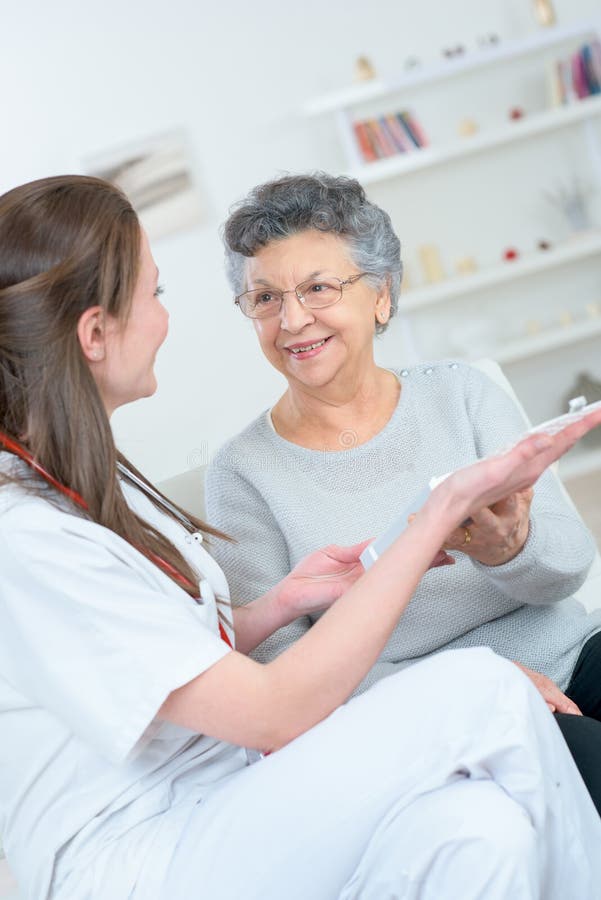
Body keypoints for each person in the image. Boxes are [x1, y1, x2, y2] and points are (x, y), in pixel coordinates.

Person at [2, 176, 601, 900]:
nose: (165, 320)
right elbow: (274, 709)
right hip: (152, 839)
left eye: (318, 288)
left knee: (480, 830)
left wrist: (279, 603)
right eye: (156, 296)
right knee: (480, 688)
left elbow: (163, 651)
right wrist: (435, 519)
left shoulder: (91, 479)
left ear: (379, 294)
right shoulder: (29, 534)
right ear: (95, 334)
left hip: (224, 789)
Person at [208, 171, 601, 811]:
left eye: (318, 288)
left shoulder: (462, 392)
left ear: (381, 294)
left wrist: (509, 551)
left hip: (572, 652)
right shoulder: (241, 473)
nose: (293, 320)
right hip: (436, 715)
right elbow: (285, 673)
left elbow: (567, 571)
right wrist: (474, 684)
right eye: (265, 299)